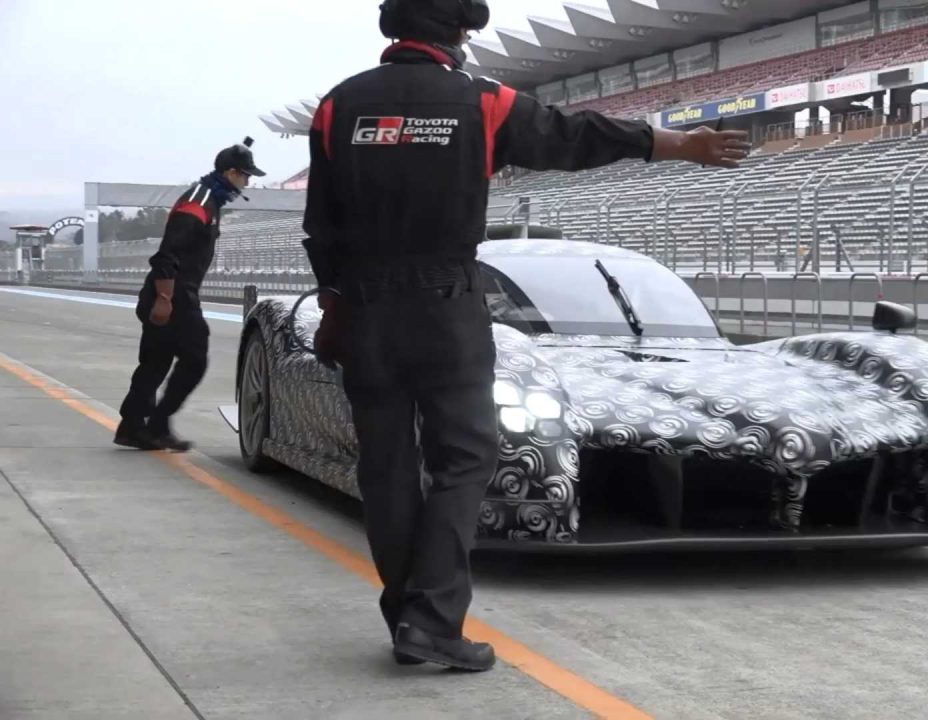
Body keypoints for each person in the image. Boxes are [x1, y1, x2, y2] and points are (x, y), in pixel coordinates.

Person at [300, 0, 751, 672]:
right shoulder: (481, 101)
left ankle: (409, 615)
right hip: (445, 307)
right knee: (465, 458)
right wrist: (675, 144)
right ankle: (432, 620)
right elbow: (575, 136)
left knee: (386, 466)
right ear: (460, 32)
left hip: (364, 310)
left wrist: (334, 307)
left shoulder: (338, 105)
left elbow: (321, 226)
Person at [115, 139, 266, 451]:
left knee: (155, 363)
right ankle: (155, 424)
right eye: (246, 175)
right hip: (174, 295)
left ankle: (133, 426)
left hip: (172, 292)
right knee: (194, 360)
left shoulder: (210, 200)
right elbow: (167, 253)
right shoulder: (199, 201)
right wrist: (164, 299)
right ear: (231, 173)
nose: (248, 182)